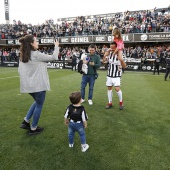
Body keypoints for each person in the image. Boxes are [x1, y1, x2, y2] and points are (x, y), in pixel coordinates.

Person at [19, 35, 59, 135]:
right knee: (39, 105)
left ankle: (26, 121)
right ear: (32, 43)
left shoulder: (23, 55)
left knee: (37, 102)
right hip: (38, 86)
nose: (38, 43)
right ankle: (33, 128)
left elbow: (19, 71)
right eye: (36, 41)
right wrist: (56, 46)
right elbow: (54, 57)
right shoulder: (36, 54)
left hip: (28, 86)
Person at [103, 41, 126, 110]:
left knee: (117, 88)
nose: (112, 49)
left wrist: (121, 61)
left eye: (113, 48)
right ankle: (110, 102)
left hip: (117, 75)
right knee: (109, 88)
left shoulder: (121, 54)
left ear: (116, 47)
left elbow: (124, 66)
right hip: (109, 74)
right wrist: (105, 55)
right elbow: (104, 62)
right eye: (111, 47)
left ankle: (121, 102)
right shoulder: (109, 54)